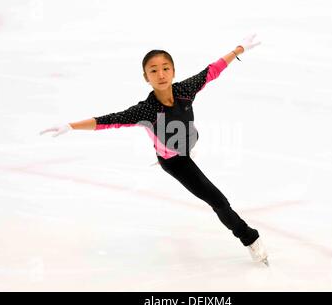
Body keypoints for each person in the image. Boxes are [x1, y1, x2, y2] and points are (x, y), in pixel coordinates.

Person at [40, 34, 269, 266]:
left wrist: (239, 49)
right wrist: (71, 126)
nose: (160, 74)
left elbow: (212, 70)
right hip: (175, 161)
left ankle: (182, 147)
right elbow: (109, 120)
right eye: (153, 70)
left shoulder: (185, 90)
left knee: (188, 137)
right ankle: (250, 238)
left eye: (165, 68)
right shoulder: (146, 111)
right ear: (145, 77)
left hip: (188, 140)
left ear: (173, 71)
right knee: (218, 200)